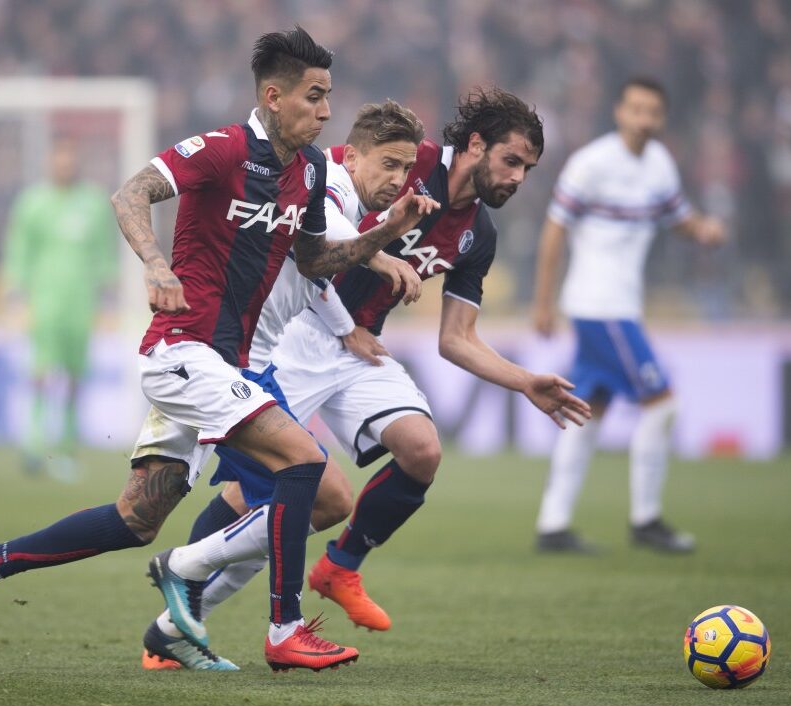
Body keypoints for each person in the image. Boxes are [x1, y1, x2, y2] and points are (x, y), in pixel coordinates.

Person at [0, 26, 436, 674]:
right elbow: (132, 192)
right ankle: (282, 626)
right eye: (314, 97)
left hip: (230, 366)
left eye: (329, 97)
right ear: (274, 95)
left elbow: (314, 257)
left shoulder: (310, 171)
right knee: (304, 463)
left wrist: (382, 237)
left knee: (135, 519)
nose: (325, 111)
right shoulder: (223, 149)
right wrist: (154, 263)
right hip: (182, 349)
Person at [156, 87, 593, 647]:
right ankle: (179, 617)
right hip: (294, 332)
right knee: (260, 496)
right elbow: (315, 192)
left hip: (360, 347)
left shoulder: (477, 236)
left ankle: (340, 567)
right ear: (475, 145)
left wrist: (525, 381)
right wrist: (354, 298)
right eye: (512, 161)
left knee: (422, 450)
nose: (517, 178)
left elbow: (457, 339)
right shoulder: (408, 159)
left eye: (528, 169)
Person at [530, 76, 727, 555]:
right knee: (663, 403)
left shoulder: (659, 165)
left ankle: (552, 526)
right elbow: (555, 229)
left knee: (587, 414)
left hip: (617, 305)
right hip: (601, 307)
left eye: (652, 111)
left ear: (661, 118)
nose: (644, 119)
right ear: (619, 111)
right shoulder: (591, 164)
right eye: (635, 109)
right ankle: (647, 519)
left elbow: (674, 217)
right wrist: (542, 300)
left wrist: (702, 230)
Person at [2, 137, 117, 481]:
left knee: (73, 378)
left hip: (81, 305)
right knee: (40, 374)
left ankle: (66, 449)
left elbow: (105, 252)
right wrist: (15, 292)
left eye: (70, 157)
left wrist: (109, 291)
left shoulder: (94, 203)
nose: (64, 164)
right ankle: (34, 446)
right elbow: (19, 249)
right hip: (45, 302)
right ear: (50, 161)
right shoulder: (33, 203)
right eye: (59, 158)